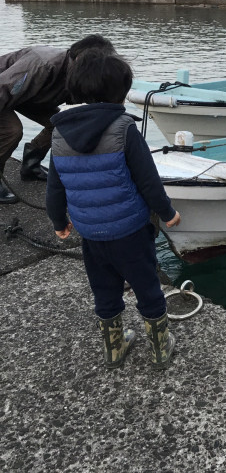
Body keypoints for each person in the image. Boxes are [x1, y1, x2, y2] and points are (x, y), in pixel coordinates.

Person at [46, 48, 181, 370]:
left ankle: (114, 348)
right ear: (119, 93)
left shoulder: (58, 133)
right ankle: (160, 349)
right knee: (147, 286)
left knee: (104, 290)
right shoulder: (124, 128)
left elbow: (55, 186)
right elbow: (148, 181)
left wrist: (58, 220)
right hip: (130, 231)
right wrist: (167, 213)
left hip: (91, 232)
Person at [0, 34, 115, 204]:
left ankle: (31, 166)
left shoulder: (80, 74)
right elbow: (4, 89)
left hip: (30, 96)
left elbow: (77, 110)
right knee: (12, 131)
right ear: (81, 59)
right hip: (5, 91)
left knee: (62, 124)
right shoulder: (42, 64)